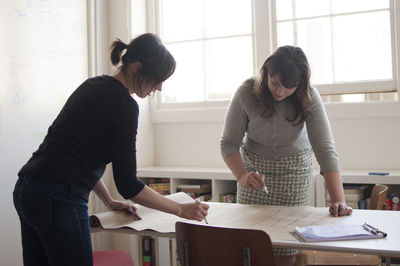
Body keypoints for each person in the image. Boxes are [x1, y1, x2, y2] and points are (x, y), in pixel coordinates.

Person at [13, 33, 209, 266]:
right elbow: (128, 185)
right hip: (59, 199)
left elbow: (78, 155)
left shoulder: (93, 85)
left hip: (28, 189)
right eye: (157, 79)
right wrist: (179, 209)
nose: (159, 87)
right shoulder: (125, 106)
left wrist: (108, 201)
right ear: (137, 68)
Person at [220, 45, 352, 266]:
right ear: (266, 74)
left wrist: (339, 200)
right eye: (275, 83)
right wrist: (242, 176)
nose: (280, 92)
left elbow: (325, 148)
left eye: (289, 87)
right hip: (254, 175)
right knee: (250, 248)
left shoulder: (309, 96)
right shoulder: (246, 92)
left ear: (299, 85)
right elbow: (228, 143)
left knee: (285, 250)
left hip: (294, 175)